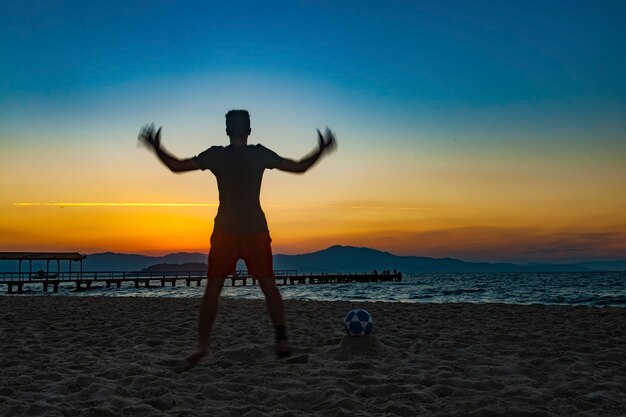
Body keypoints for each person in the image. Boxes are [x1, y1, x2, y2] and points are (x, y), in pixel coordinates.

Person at [138, 110, 336, 365]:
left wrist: (156, 147)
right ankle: (282, 340)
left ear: (228, 131)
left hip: (225, 231)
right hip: (254, 229)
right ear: (250, 131)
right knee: (268, 286)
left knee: (213, 289)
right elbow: (299, 167)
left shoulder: (217, 155)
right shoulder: (258, 154)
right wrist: (321, 150)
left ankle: (202, 347)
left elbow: (176, 166)